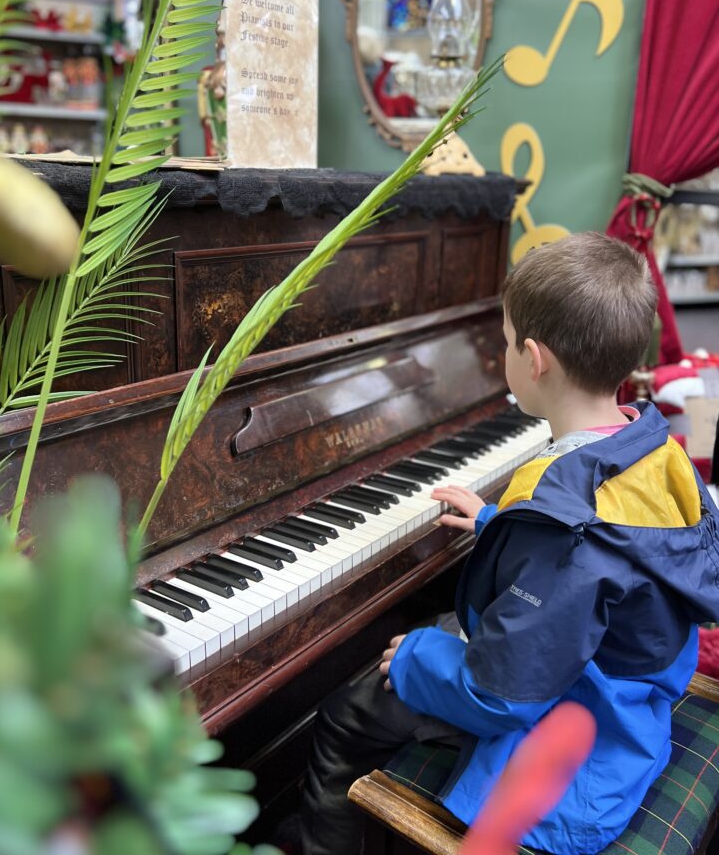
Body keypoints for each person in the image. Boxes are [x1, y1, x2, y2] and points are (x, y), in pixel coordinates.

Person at [297, 232, 719, 855]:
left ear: (532, 357)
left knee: (341, 716)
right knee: (436, 629)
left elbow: (501, 692)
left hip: (577, 753)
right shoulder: (655, 448)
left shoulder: (566, 535)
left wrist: (416, 658)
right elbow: (611, 553)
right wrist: (502, 522)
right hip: (627, 702)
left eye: (502, 344)